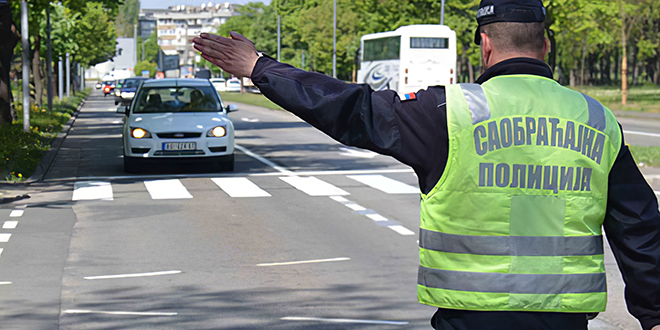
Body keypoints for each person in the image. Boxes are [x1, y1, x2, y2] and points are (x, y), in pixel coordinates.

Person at [193, 0, 660, 329]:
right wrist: (655, 314)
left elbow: (351, 108)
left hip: (469, 317)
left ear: (484, 44)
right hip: (564, 319)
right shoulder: (597, 120)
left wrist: (261, 67)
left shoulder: (448, 113)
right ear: (547, 45)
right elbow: (639, 227)